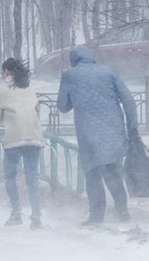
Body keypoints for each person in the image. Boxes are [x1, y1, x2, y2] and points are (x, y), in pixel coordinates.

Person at [56, 46, 138, 226]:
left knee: (92, 174)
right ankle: (122, 211)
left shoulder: (70, 75)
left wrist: (75, 99)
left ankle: (96, 215)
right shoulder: (108, 72)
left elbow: (62, 106)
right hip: (113, 130)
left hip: (88, 134)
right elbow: (128, 100)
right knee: (112, 171)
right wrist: (132, 128)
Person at [0, 58, 45, 230]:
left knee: (10, 176)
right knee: (32, 178)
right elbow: (37, 112)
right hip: (34, 136)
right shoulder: (29, 89)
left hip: (14, 138)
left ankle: (16, 213)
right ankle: (36, 217)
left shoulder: (1, 90)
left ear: (6, 72)